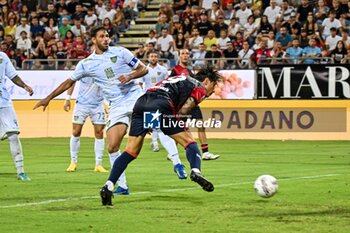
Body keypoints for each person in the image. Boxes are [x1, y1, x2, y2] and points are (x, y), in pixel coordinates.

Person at [33, 25, 148, 195]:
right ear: (94, 40)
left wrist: (130, 76)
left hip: (134, 97)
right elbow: (68, 82)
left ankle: (179, 160)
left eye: (107, 36)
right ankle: (122, 186)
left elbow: (143, 69)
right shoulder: (86, 64)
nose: (106, 39)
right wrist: (48, 98)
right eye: (102, 36)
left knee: (161, 128)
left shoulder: (121, 52)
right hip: (116, 105)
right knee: (112, 146)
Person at [100, 65, 222, 206]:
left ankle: (108, 186)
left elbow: (158, 96)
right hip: (162, 103)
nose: (212, 91)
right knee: (190, 143)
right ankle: (196, 171)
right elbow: (185, 109)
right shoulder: (199, 87)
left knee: (130, 151)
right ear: (206, 81)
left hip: (142, 102)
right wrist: (180, 124)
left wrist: (155, 120)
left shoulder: (177, 79)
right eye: (213, 86)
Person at [138, 51, 187, 179]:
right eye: (151, 56)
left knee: (161, 127)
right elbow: (140, 84)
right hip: (149, 101)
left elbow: (168, 83)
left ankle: (170, 155)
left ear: (157, 58)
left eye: (155, 56)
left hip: (163, 100)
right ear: (148, 57)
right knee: (155, 127)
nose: (153, 57)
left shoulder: (164, 70)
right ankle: (156, 144)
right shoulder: (144, 70)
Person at [170, 49, 220, 160]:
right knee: (179, 128)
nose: (185, 55)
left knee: (200, 126)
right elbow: (170, 86)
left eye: (187, 53)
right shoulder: (175, 70)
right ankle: (172, 152)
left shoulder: (190, 71)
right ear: (179, 57)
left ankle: (205, 152)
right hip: (183, 105)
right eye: (183, 54)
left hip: (193, 102)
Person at [63, 75, 108, 173]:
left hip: (98, 105)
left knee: (99, 132)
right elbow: (72, 81)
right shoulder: (83, 65)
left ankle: (98, 164)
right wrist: (67, 99)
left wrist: (107, 103)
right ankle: (73, 162)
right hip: (81, 105)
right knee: (76, 131)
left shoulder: (103, 66)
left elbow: (108, 84)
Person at [0, 51, 33, 180]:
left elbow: (13, 75)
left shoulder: (2, 56)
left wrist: (25, 86)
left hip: (4, 100)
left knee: (13, 134)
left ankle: (21, 172)